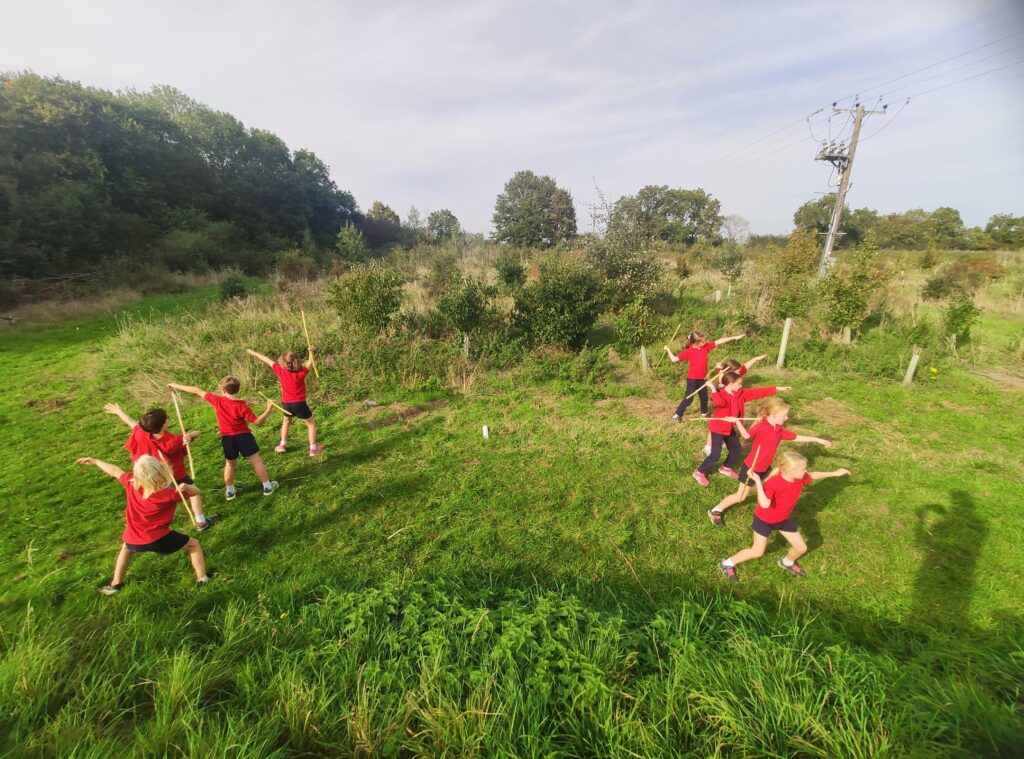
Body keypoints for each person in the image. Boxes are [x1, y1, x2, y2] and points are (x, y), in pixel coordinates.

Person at [76, 454, 212, 595]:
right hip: (158, 538)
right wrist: (187, 487)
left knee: (126, 548)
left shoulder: (131, 483)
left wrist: (96, 460)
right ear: (160, 472)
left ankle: (115, 584)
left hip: (134, 536)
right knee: (194, 545)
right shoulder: (169, 494)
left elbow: (115, 471)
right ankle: (202, 579)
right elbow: (197, 492)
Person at [719, 451, 850, 582]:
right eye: (803, 468)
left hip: (783, 519)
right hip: (764, 520)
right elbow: (764, 504)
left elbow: (813, 475)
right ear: (791, 470)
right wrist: (758, 482)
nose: (806, 471)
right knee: (757, 551)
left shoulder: (800, 478)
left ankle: (787, 562)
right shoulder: (773, 484)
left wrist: (835, 473)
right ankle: (727, 563)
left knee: (801, 548)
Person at [707, 398, 833, 526]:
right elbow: (746, 436)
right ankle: (715, 510)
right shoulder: (762, 427)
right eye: (784, 415)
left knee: (772, 485)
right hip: (752, 468)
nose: (787, 418)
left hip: (766, 467)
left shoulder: (778, 429)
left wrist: (816, 439)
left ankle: (770, 505)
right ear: (773, 415)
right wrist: (737, 422)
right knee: (740, 497)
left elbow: (795, 437)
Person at [102, 402, 219, 531]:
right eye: (166, 417)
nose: (168, 418)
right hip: (174, 475)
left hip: (150, 475)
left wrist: (119, 412)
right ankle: (201, 522)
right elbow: (198, 433)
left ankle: (145, 522)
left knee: (156, 497)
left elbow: (131, 423)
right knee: (193, 493)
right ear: (164, 424)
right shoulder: (172, 442)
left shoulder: (141, 432)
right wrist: (190, 436)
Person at [167, 377, 279, 499]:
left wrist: (175, 385)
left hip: (228, 439)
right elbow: (257, 422)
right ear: (238, 389)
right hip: (244, 437)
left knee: (230, 464)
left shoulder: (217, 401)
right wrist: (268, 409)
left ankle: (230, 491)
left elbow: (196, 390)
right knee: (256, 461)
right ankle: (267, 486)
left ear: (222, 390)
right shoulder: (242, 406)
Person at [692, 371, 790, 486]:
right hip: (718, 428)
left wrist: (776, 388)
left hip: (730, 429)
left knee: (737, 450)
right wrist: (713, 389)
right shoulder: (721, 394)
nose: (741, 386)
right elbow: (719, 403)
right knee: (715, 455)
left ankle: (725, 467)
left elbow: (757, 392)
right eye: (738, 383)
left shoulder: (740, 394)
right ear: (730, 383)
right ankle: (699, 472)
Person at [245, 348, 323, 456]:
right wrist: (311, 352)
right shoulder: (300, 374)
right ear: (296, 361)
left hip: (286, 404)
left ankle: (282, 445)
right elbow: (310, 363)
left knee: (286, 421)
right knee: (311, 424)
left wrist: (254, 353)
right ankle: (313, 449)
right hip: (299, 404)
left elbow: (267, 360)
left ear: (283, 362)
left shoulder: (280, 371)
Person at [664, 331, 745, 420]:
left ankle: (704, 413)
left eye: (704, 340)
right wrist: (668, 349)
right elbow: (674, 359)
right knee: (689, 398)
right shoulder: (688, 351)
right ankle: (677, 414)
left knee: (704, 397)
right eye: (702, 341)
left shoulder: (705, 347)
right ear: (696, 343)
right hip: (692, 379)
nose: (705, 342)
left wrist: (734, 337)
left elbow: (720, 341)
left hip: (702, 379)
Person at [702, 355, 767, 456]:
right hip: (723, 402)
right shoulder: (723, 378)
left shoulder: (733, 375)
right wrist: (719, 371)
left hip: (732, 401)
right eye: (737, 372)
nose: (740, 373)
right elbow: (721, 384)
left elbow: (744, 368)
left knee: (728, 424)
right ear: (730, 373)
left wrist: (755, 359)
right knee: (718, 424)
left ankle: (722, 439)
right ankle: (708, 445)